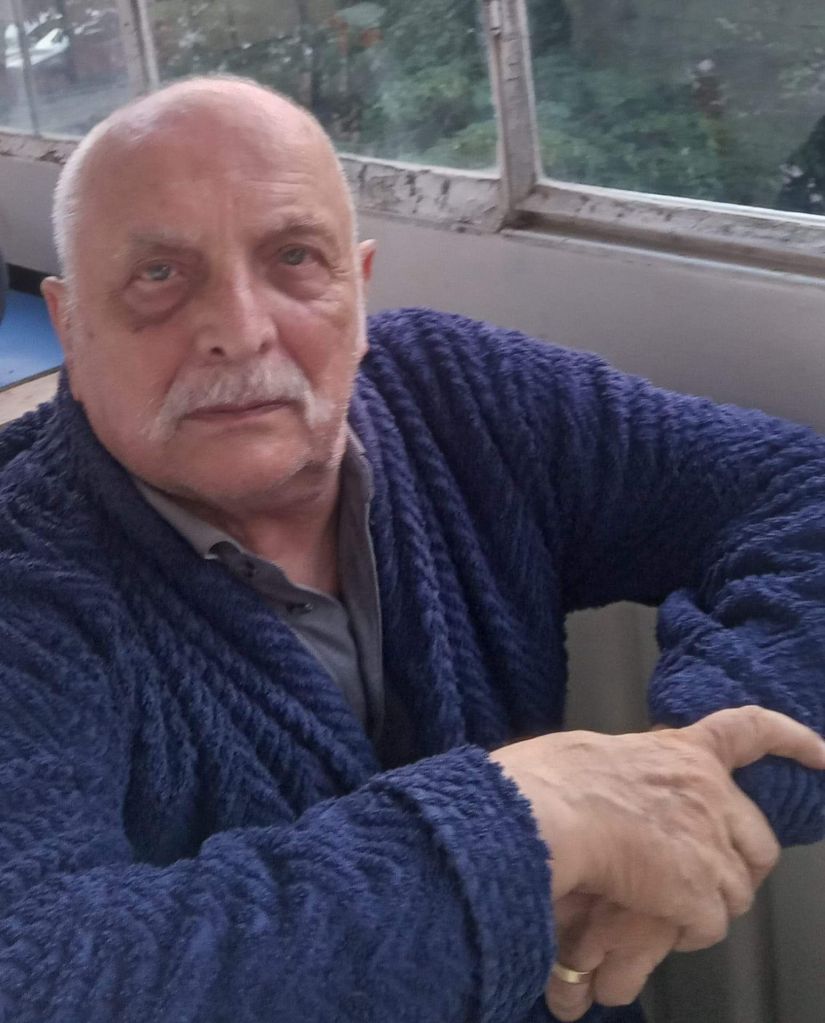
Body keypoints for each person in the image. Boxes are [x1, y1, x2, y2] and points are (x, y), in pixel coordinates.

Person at [0, 75, 823, 1023]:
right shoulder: (26, 574)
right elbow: (35, 969)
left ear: (358, 287)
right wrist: (532, 823)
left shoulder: (460, 396)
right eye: (158, 275)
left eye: (293, 256)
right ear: (69, 324)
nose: (240, 329)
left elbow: (800, 491)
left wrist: (696, 786)